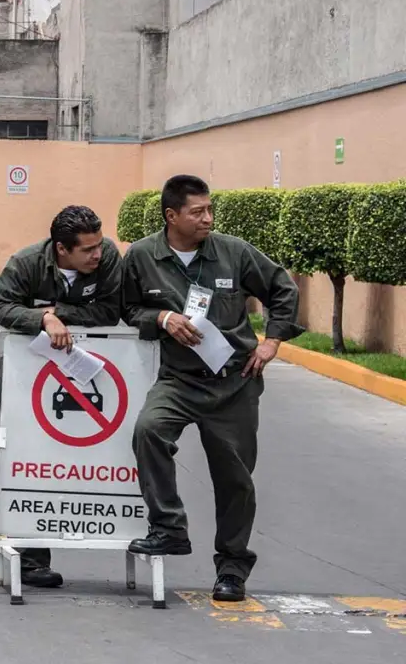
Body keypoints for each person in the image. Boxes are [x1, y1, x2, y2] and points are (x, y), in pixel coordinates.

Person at [120, 174, 303, 602]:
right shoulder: (143, 256)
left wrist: (272, 340)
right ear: (172, 216)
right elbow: (129, 308)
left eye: (209, 210)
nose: (208, 219)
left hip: (234, 382)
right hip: (179, 380)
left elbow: (282, 289)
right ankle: (168, 528)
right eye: (197, 212)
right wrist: (163, 319)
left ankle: (232, 569)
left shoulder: (233, 252)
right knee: (149, 430)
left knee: (235, 478)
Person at [0, 205, 123, 588]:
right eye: (88, 250)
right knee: (30, 456)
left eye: (98, 245)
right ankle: (30, 560)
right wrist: (42, 320)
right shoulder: (27, 263)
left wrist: (56, 311)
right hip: (32, 376)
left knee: (88, 460)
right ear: (62, 249)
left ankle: (111, 532)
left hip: (94, 375)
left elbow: (113, 311)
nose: (98, 254)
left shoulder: (109, 256)